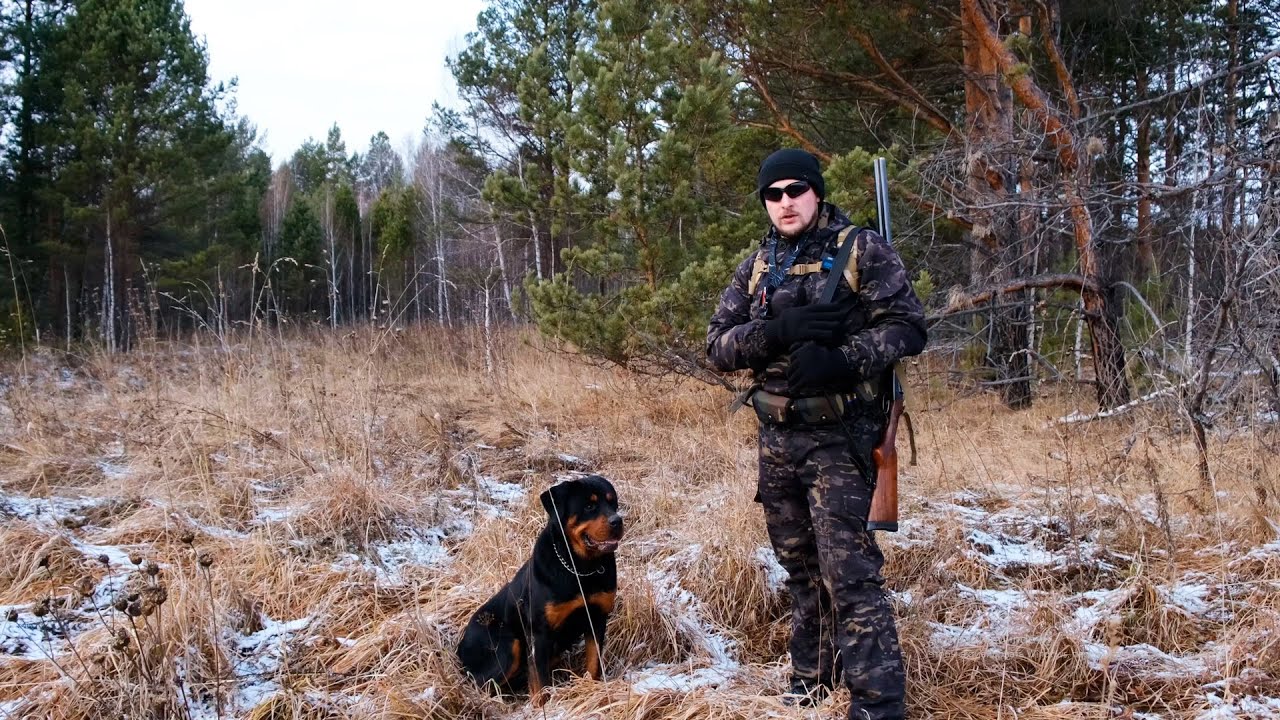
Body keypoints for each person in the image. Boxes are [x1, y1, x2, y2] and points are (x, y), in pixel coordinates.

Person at [705, 149, 925, 720]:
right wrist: (775, 331)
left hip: (840, 438)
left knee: (849, 574)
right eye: (772, 194)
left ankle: (878, 705)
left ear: (816, 192)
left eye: (795, 190)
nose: (784, 202)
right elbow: (717, 348)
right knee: (800, 567)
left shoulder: (861, 248)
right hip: (777, 440)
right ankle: (813, 676)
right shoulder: (756, 264)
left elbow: (908, 328)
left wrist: (843, 360)